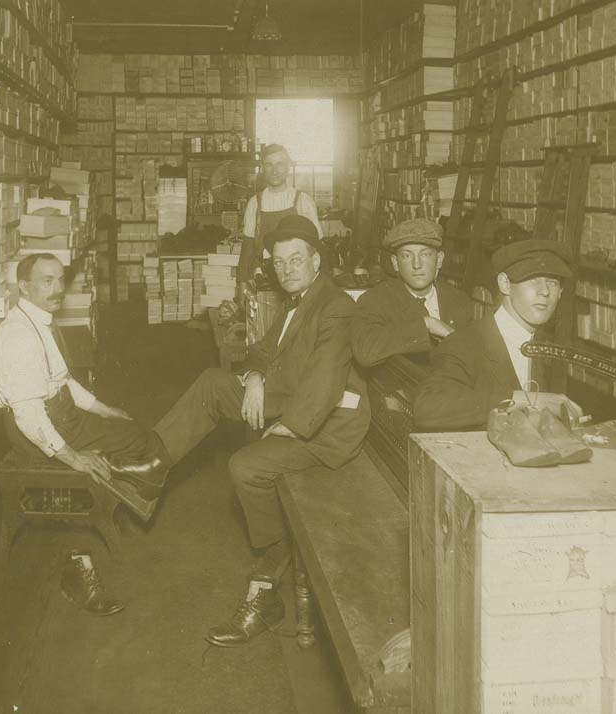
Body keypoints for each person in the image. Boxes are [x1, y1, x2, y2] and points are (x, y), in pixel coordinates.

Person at [152, 215, 370, 647]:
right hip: (293, 398)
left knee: (247, 465)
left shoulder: (336, 305)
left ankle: (270, 570)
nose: (287, 270)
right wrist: (253, 377)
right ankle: (151, 463)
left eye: (296, 260)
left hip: (328, 424)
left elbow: (325, 381)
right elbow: (263, 349)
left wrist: (286, 427)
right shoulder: (296, 301)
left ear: (316, 260)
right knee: (215, 382)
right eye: (280, 263)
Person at [0, 253, 168, 615]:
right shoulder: (19, 335)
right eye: (46, 281)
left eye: (59, 280)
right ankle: (78, 567)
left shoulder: (39, 321)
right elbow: (29, 416)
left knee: (135, 432)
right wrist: (73, 455)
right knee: (144, 445)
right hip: (39, 428)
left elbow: (63, 381)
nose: (57, 289)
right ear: (23, 286)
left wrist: (103, 409)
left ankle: (119, 483)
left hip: (59, 412)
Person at [412, 239, 574, 431]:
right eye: (533, 280)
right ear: (505, 284)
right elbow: (427, 409)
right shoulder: (464, 344)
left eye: (553, 283)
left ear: (561, 292)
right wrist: (523, 398)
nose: (545, 292)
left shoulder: (541, 346)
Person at [352, 218, 474, 366]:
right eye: (406, 256)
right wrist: (426, 324)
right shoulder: (376, 300)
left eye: (425, 254)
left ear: (440, 259)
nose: (417, 264)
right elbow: (365, 352)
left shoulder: (459, 300)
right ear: (395, 263)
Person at [236, 144, 323, 291]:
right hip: (263, 282)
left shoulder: (302, 201)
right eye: (269, 165)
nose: (274, 171)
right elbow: (248, 247)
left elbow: (317, 246)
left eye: (279, 164)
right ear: (263, 168)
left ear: (288, 167)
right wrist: (242, 282)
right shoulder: (254, 203)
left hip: (295, 279)